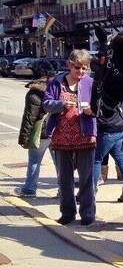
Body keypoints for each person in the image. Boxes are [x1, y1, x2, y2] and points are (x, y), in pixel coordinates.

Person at [43, 49, 97, 226]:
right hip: (61, 137)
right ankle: (67, 212)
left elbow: (100, 105)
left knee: (86, 178)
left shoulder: (90, 83)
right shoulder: (57, 82)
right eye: (77, 68)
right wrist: (61, 104)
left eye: (84, 68)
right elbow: (46, 104)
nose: (80, 72)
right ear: (69, 65)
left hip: (85, 136)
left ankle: (87, 213)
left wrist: (92, 110)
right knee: (64, 179)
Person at [14, 73, 57, 198]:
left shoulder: (33, 94)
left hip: (41, 133)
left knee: (34, 161)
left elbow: (29, 118)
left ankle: (29, 189)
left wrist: (24, 138)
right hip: (55, 131)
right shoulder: (56, 90)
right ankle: (64, 190)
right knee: (60, 163)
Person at [94, 91, 123, 202]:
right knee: (121, 159)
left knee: (96, 160)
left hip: (106, 130)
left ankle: (89, 192)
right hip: (120, 128)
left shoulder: (110, 94)